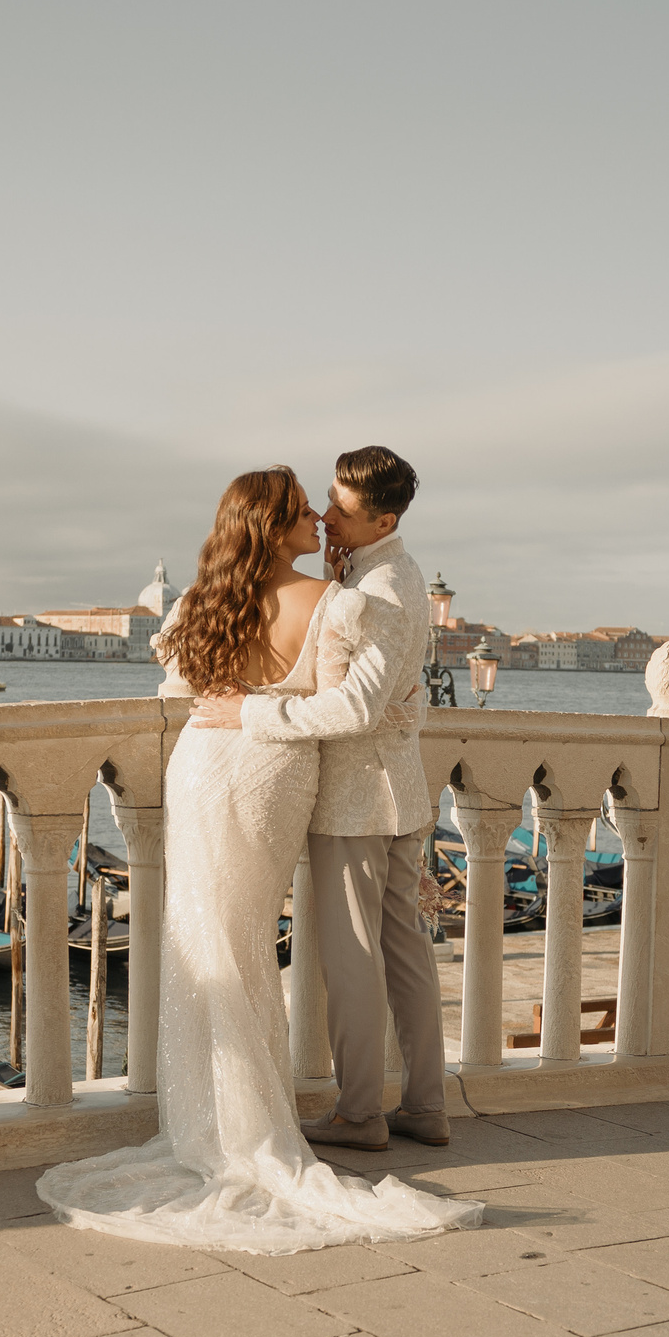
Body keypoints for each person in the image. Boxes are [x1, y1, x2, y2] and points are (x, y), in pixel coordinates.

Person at [34, 465, 479, 1253]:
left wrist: (237, 701)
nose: (319, 518)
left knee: (207, 936)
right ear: (276, 530)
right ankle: (256, 1120)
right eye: (307, 511)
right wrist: (279, 707)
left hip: (204, 767)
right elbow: (345, 708)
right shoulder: (337, 602)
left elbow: (175, 673)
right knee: (242, 940)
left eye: (330, 509)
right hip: (272, 775)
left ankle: (214, 1118)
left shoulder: (204, 596)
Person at [201, 446, 443, 1153]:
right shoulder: (375, 571)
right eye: (329, 501)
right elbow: (396, 698)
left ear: (384, 519)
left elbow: (357, 708)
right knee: (403, 953)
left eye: (342, 509)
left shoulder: (386, 585)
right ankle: (426, 1105)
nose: (328, 517)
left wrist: (249, 714)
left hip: (357, 800)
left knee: (353, 960)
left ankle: (361, 1113)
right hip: (392, 792)